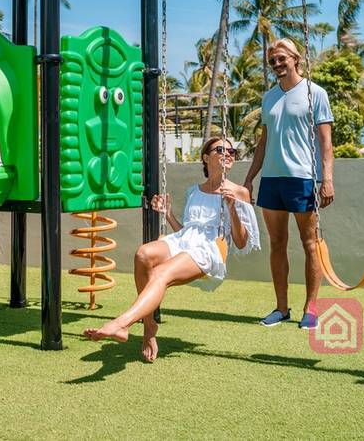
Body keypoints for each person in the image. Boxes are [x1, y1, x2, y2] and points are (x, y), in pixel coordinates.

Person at [83, 136, 260, 362]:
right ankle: (150, 326)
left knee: (159, 273)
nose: (228, 154)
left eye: (231, 152)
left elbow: (242, 241)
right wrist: (168, 215)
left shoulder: (239, 192)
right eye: (220, 150)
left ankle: (121, 323)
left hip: (209, 249)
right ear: (206, 158)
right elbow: (187, 231)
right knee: (143, 254)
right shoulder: (193, 191)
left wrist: (233, 209)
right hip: (184, 241)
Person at [243, 38, 335, 330]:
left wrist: (327, 179)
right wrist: (249, 177)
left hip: (303, 179)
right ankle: (282, 308)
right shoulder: (269, 97)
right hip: (271, 180)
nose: (277, 64)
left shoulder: (315, 93)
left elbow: (326, 142)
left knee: (310, 244)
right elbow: (264, 140)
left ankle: (311, 308)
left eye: (282, 59)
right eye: (273, 61)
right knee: (277, 244)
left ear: (296, 58)